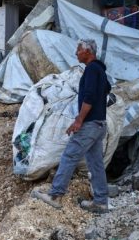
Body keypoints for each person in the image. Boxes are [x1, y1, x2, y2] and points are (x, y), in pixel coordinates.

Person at [32, 39, 111, 213]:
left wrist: (79, 120)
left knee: (69, 156)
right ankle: (101, 201)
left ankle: (55, 195)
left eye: (78, 49)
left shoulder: (91, 69)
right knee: (96, 163)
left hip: (90, 124)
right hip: (99, 124)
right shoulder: (100, 71)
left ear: (88, 52)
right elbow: (107, 89)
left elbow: (89, 96)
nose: (76, 53)